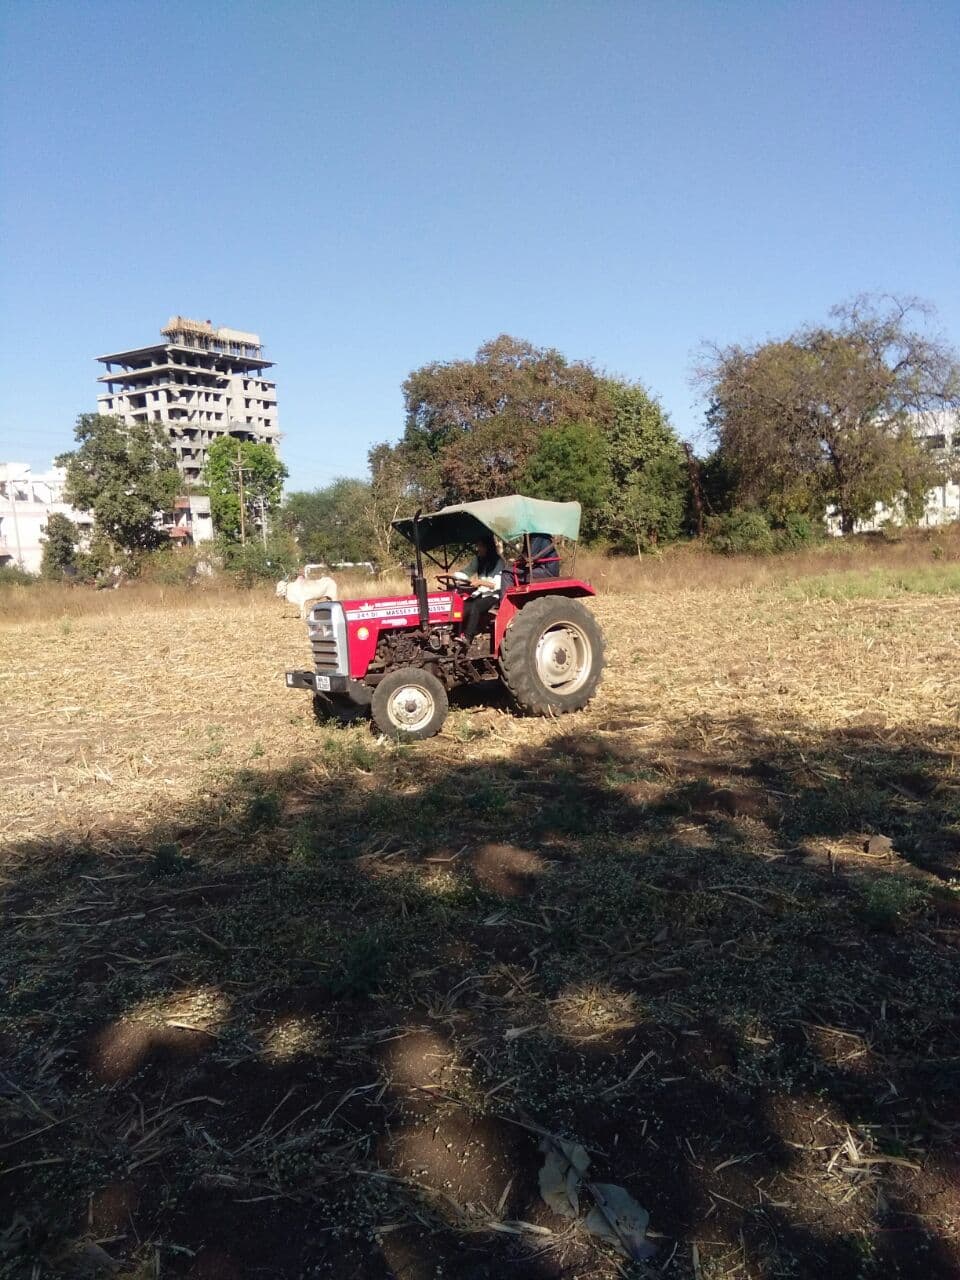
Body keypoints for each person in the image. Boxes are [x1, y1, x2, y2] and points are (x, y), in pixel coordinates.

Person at [457, 534, 505, 646]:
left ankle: (468, 637)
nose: (478, 548)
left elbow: (496, 585)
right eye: (478, 546)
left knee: (475, 606)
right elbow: (466, 572)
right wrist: (451, 575)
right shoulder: (478, 560)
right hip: (479, 593)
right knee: (461, 606)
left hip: (492, 595)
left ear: (488, 547)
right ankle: (458, 633)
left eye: (480, 546)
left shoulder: (499, 562)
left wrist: (480, 582)